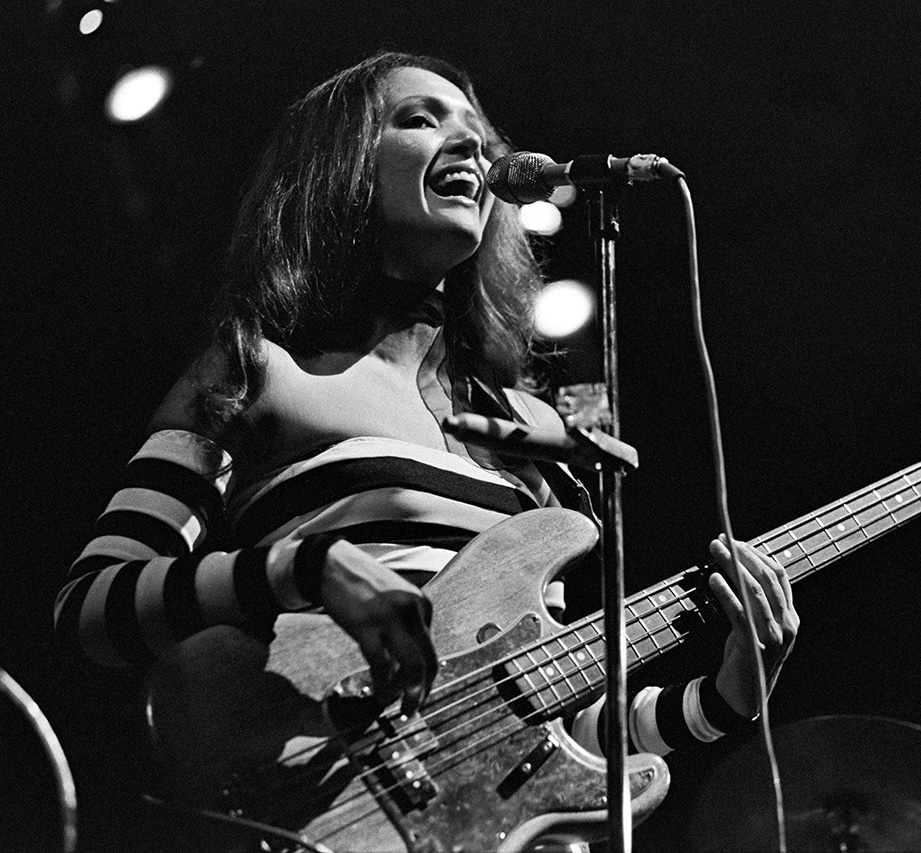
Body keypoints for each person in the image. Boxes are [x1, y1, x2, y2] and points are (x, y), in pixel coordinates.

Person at [53, 49, 798, 844]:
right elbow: (93, 605)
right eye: (419, 119)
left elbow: (552, 725)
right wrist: (306, 569)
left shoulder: (526, 430)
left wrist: (724, 697)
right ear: (341, 170)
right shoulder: (258, 371)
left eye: (477, 134)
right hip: (322, 812)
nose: (470, 148)